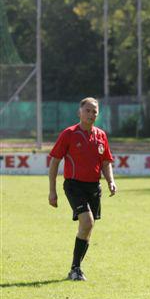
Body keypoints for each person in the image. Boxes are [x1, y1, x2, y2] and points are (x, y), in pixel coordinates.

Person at [48, 97, 117, 281]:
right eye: (87, 110)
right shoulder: (69, 134)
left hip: (94, 187)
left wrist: (111, 181)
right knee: (87, 222)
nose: (91, 114)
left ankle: (76, 269)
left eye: (94, 111)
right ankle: (75, 268)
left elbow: (106, 162)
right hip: (74, 185)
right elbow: (54, 162)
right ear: (79, 112)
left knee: (87, 227)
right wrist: (52, 191)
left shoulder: (101, 135)